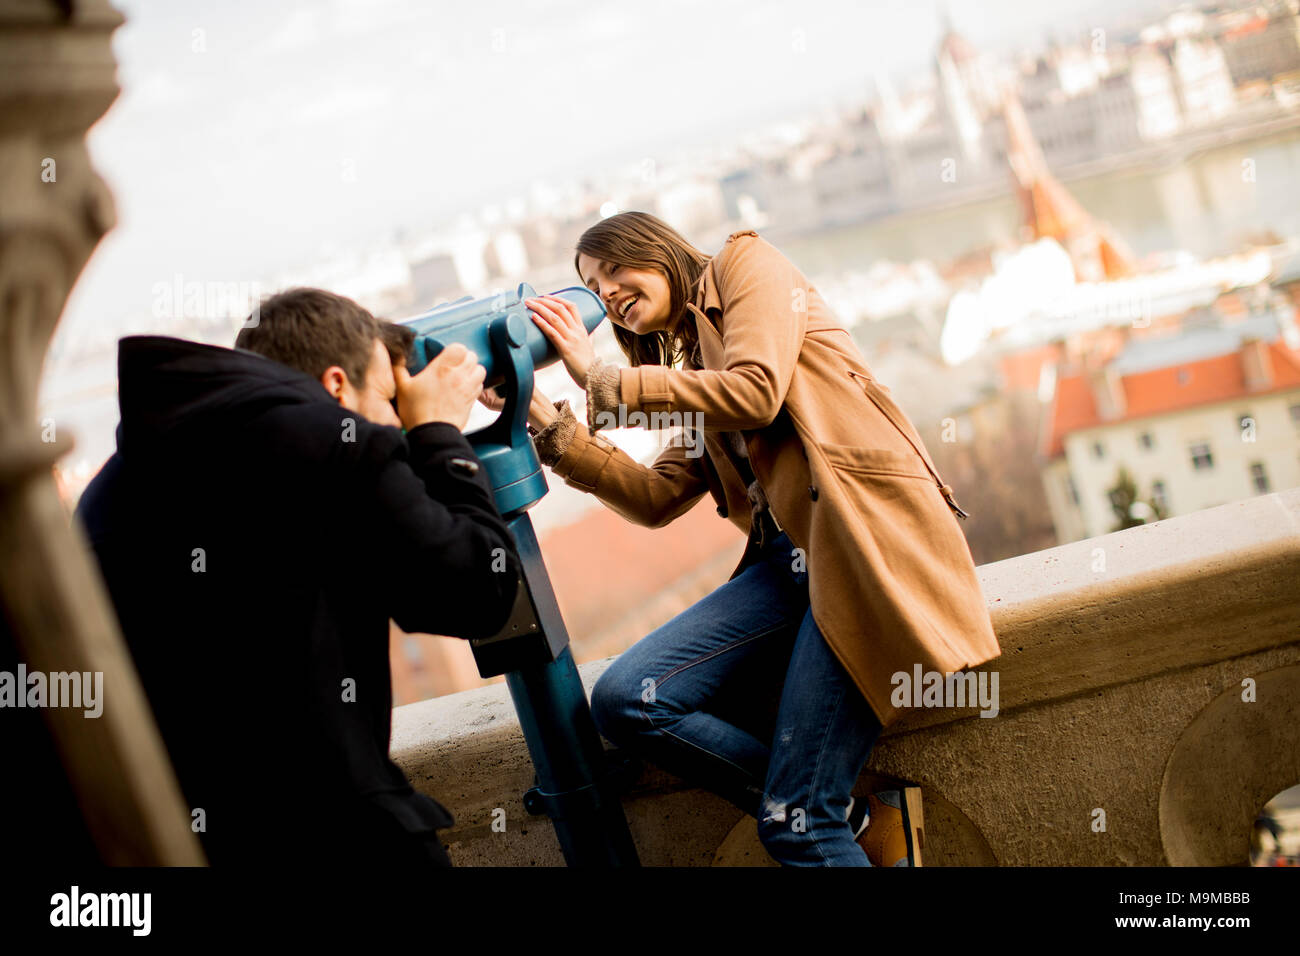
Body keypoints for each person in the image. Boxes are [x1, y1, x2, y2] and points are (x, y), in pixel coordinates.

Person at [508, 211, 1001, 866]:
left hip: (853, 550)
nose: (608, 296)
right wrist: (546, 422)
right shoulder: (688, 369)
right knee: (626, 700)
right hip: (782, 567)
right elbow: (657, 498)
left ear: (653, 249)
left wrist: (600, 379)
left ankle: (820, 814)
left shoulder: (746, 266)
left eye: (612, 271)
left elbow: (758, 391)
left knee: (796, 825)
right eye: (593, 293)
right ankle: (852, 814)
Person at [75, 287, 521, 869]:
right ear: (336, 385)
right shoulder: (332, 446)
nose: (396, 423)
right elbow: (476, 593)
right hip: (339, 833)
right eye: (389, 398)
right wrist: (439, 433)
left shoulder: (120, 480)